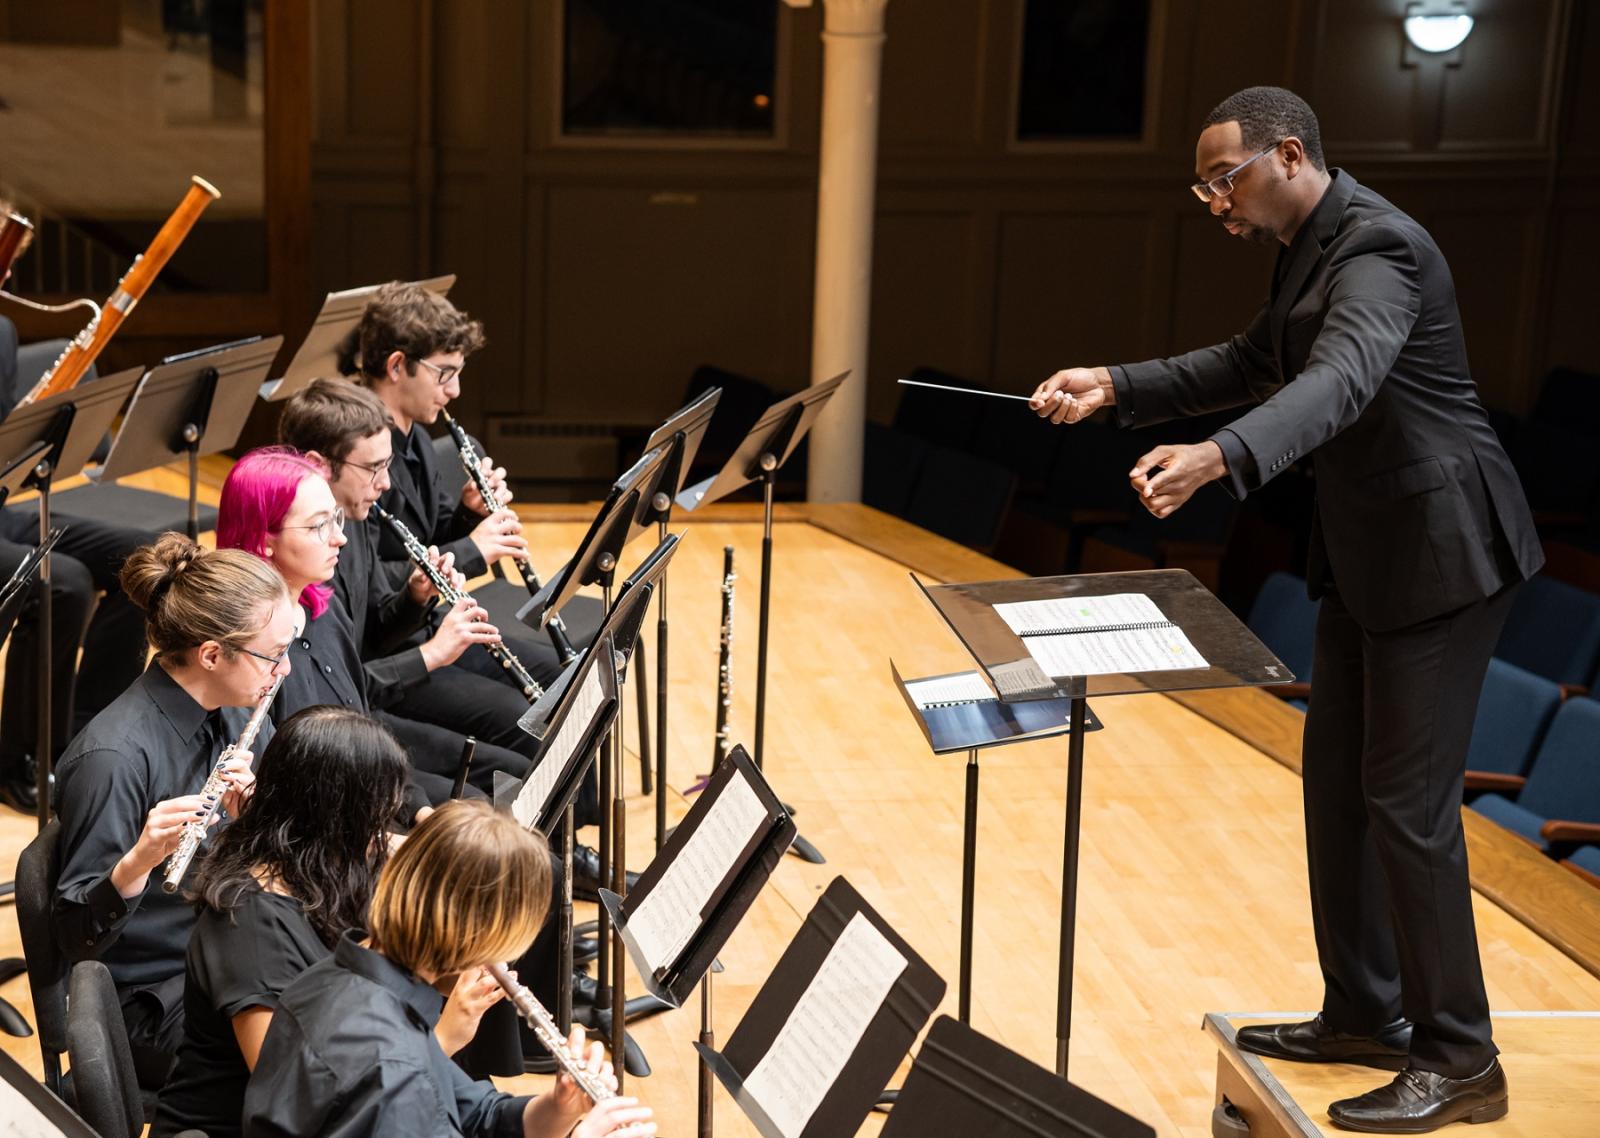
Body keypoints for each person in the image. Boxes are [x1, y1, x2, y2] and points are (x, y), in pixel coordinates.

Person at [1030, 86, 1539, 1133]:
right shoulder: (1308, 246)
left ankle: (1460, 1057)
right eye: (1205, 184)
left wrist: (1221, 455)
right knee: (1336, 788)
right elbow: (1255, 360)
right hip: (1370, 556)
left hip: (1443, 555)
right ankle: (1362, 1011)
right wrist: (1114, 384)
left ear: (1288, 155)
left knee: (1405, 805)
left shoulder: (1377, 251)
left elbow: (1341, 381)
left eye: (1224, 178)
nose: (1214, 201)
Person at [277, 379, 606, 885]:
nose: (386, 483)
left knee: (521, 753)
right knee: (505, 766)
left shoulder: (353, 518)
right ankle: (534, 901)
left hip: (372, 703)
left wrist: (415, 596)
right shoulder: (308, 559)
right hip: (359, 724)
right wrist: (430, 654)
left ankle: (555, 882)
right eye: (374, 468)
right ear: (321, 465)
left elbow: (369, 632)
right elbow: (343, 687)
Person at [242, 799, 655, 1138]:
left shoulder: (334, 978)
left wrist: (558, 1107)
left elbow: (475, 1115)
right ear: (474, 944)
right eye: (505, 950)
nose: (504, 967)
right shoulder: (395, 1075)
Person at [52, 533, 295, 1079]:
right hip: (153, 998)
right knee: (306, 1063)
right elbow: (74, 936)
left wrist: (253, 815)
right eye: (273, 655)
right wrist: (137, 862)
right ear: (212, 654)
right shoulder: (114, 758)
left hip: (227, 943)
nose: (283, 671)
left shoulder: (236, 712)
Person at [152, 707, 425, 1138]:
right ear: (340, 819)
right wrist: (443, 1036)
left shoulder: (317, 867)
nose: (383, 830)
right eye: (376, 815)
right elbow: (293, 1096)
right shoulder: (251, 927)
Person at [214, 445, 534, 801]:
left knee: (512, 775)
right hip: (334, 801)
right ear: (264, 539)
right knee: (479, 808)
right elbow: (298, 787)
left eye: (336, 519)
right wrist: (413, 811)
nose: (341, 537)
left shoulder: (324, 606)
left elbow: (357, 702)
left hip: (368, 754)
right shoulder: (249, 649)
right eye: (320, 525)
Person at [334, 282, 566, 688]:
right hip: (391, 651)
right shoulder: (356, 461)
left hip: (431, 623)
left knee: (563, 675)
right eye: (445, 374)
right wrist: (473, 551)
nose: (454, 390)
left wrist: (468, 513)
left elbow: (429, 534)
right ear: (396, 366)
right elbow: (370, 580)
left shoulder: (415, 436)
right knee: (522, 722)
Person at [0, 312, 154, 813]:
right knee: (61, 581)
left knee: (142, 557)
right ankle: (18, 760)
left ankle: (85, 734)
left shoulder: (1, 331)